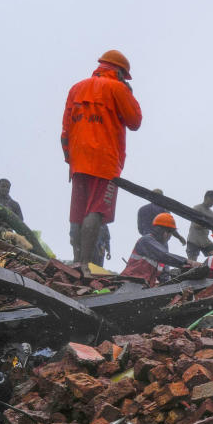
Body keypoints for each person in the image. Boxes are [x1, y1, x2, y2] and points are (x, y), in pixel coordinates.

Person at [62, 50, 142, 272]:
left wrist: (70, 157)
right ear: (119, 72)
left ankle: (76, 260)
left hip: (78, 160)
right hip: (104, 161)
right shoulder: (117, 88)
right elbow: (135, 121)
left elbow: (65, 129)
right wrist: (129, 93)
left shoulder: (76, 88)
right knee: (95, 210)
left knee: (78, 213)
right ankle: (85, 264)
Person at [121, 213, 197, 286]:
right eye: (171, 234)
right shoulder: (146, 241)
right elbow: (163, 255)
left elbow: (164, 277)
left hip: (143, 288)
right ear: (165, 233)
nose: (169, 238)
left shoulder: (162, 255)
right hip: (129, 284)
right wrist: (189, 262)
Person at [186, 190, 213, 260]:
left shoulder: (212, 214)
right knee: (191, 263)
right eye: (212, 200)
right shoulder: (197, 208)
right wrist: (209, 225)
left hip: (205, 241)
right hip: (193, 240)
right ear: (206, 198)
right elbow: (196, 226)